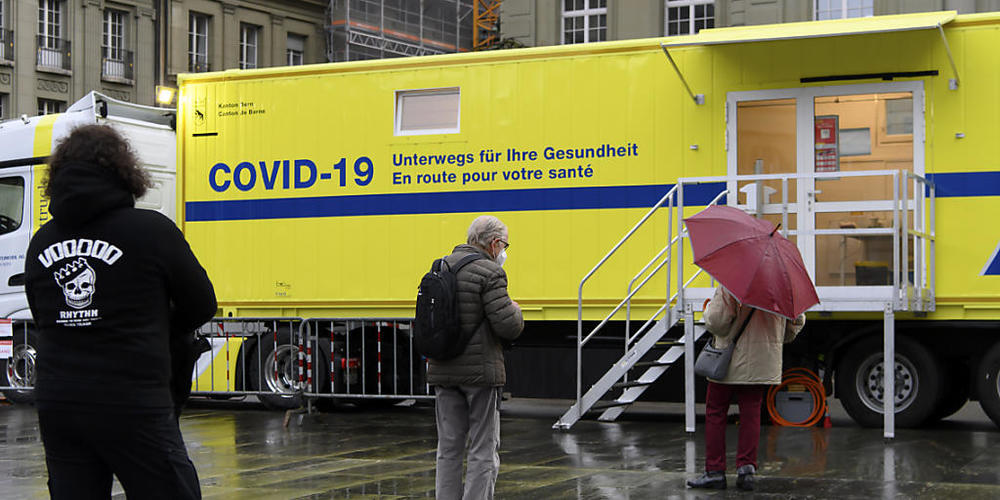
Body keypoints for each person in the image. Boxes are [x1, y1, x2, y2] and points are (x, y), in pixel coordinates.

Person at [24, 125, 217, 499]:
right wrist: (156, 330)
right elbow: (201, 303)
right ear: (125, 171)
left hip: (60, 398)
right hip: (132, 397)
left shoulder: (42, 241)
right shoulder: (152, 231)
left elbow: (44, 314)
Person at [428, 215, 524, 500]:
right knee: (483, 448)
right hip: (480, 375)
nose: (504, 251)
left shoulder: (440, 266)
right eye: (505, 245)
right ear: (494, 244)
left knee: (448, 448)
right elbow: (508, 325)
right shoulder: (490, 273)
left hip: (443, 369)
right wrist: (516, 309)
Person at [687, 286, 805, 491]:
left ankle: (715, 471)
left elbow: (717, 322)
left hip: (730, 359)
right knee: (751, 413)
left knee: (716, 411)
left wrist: (707, 311)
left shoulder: (730, 284)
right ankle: (746, 470)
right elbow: (794, 325)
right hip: (762, 359)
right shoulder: (782, 286)